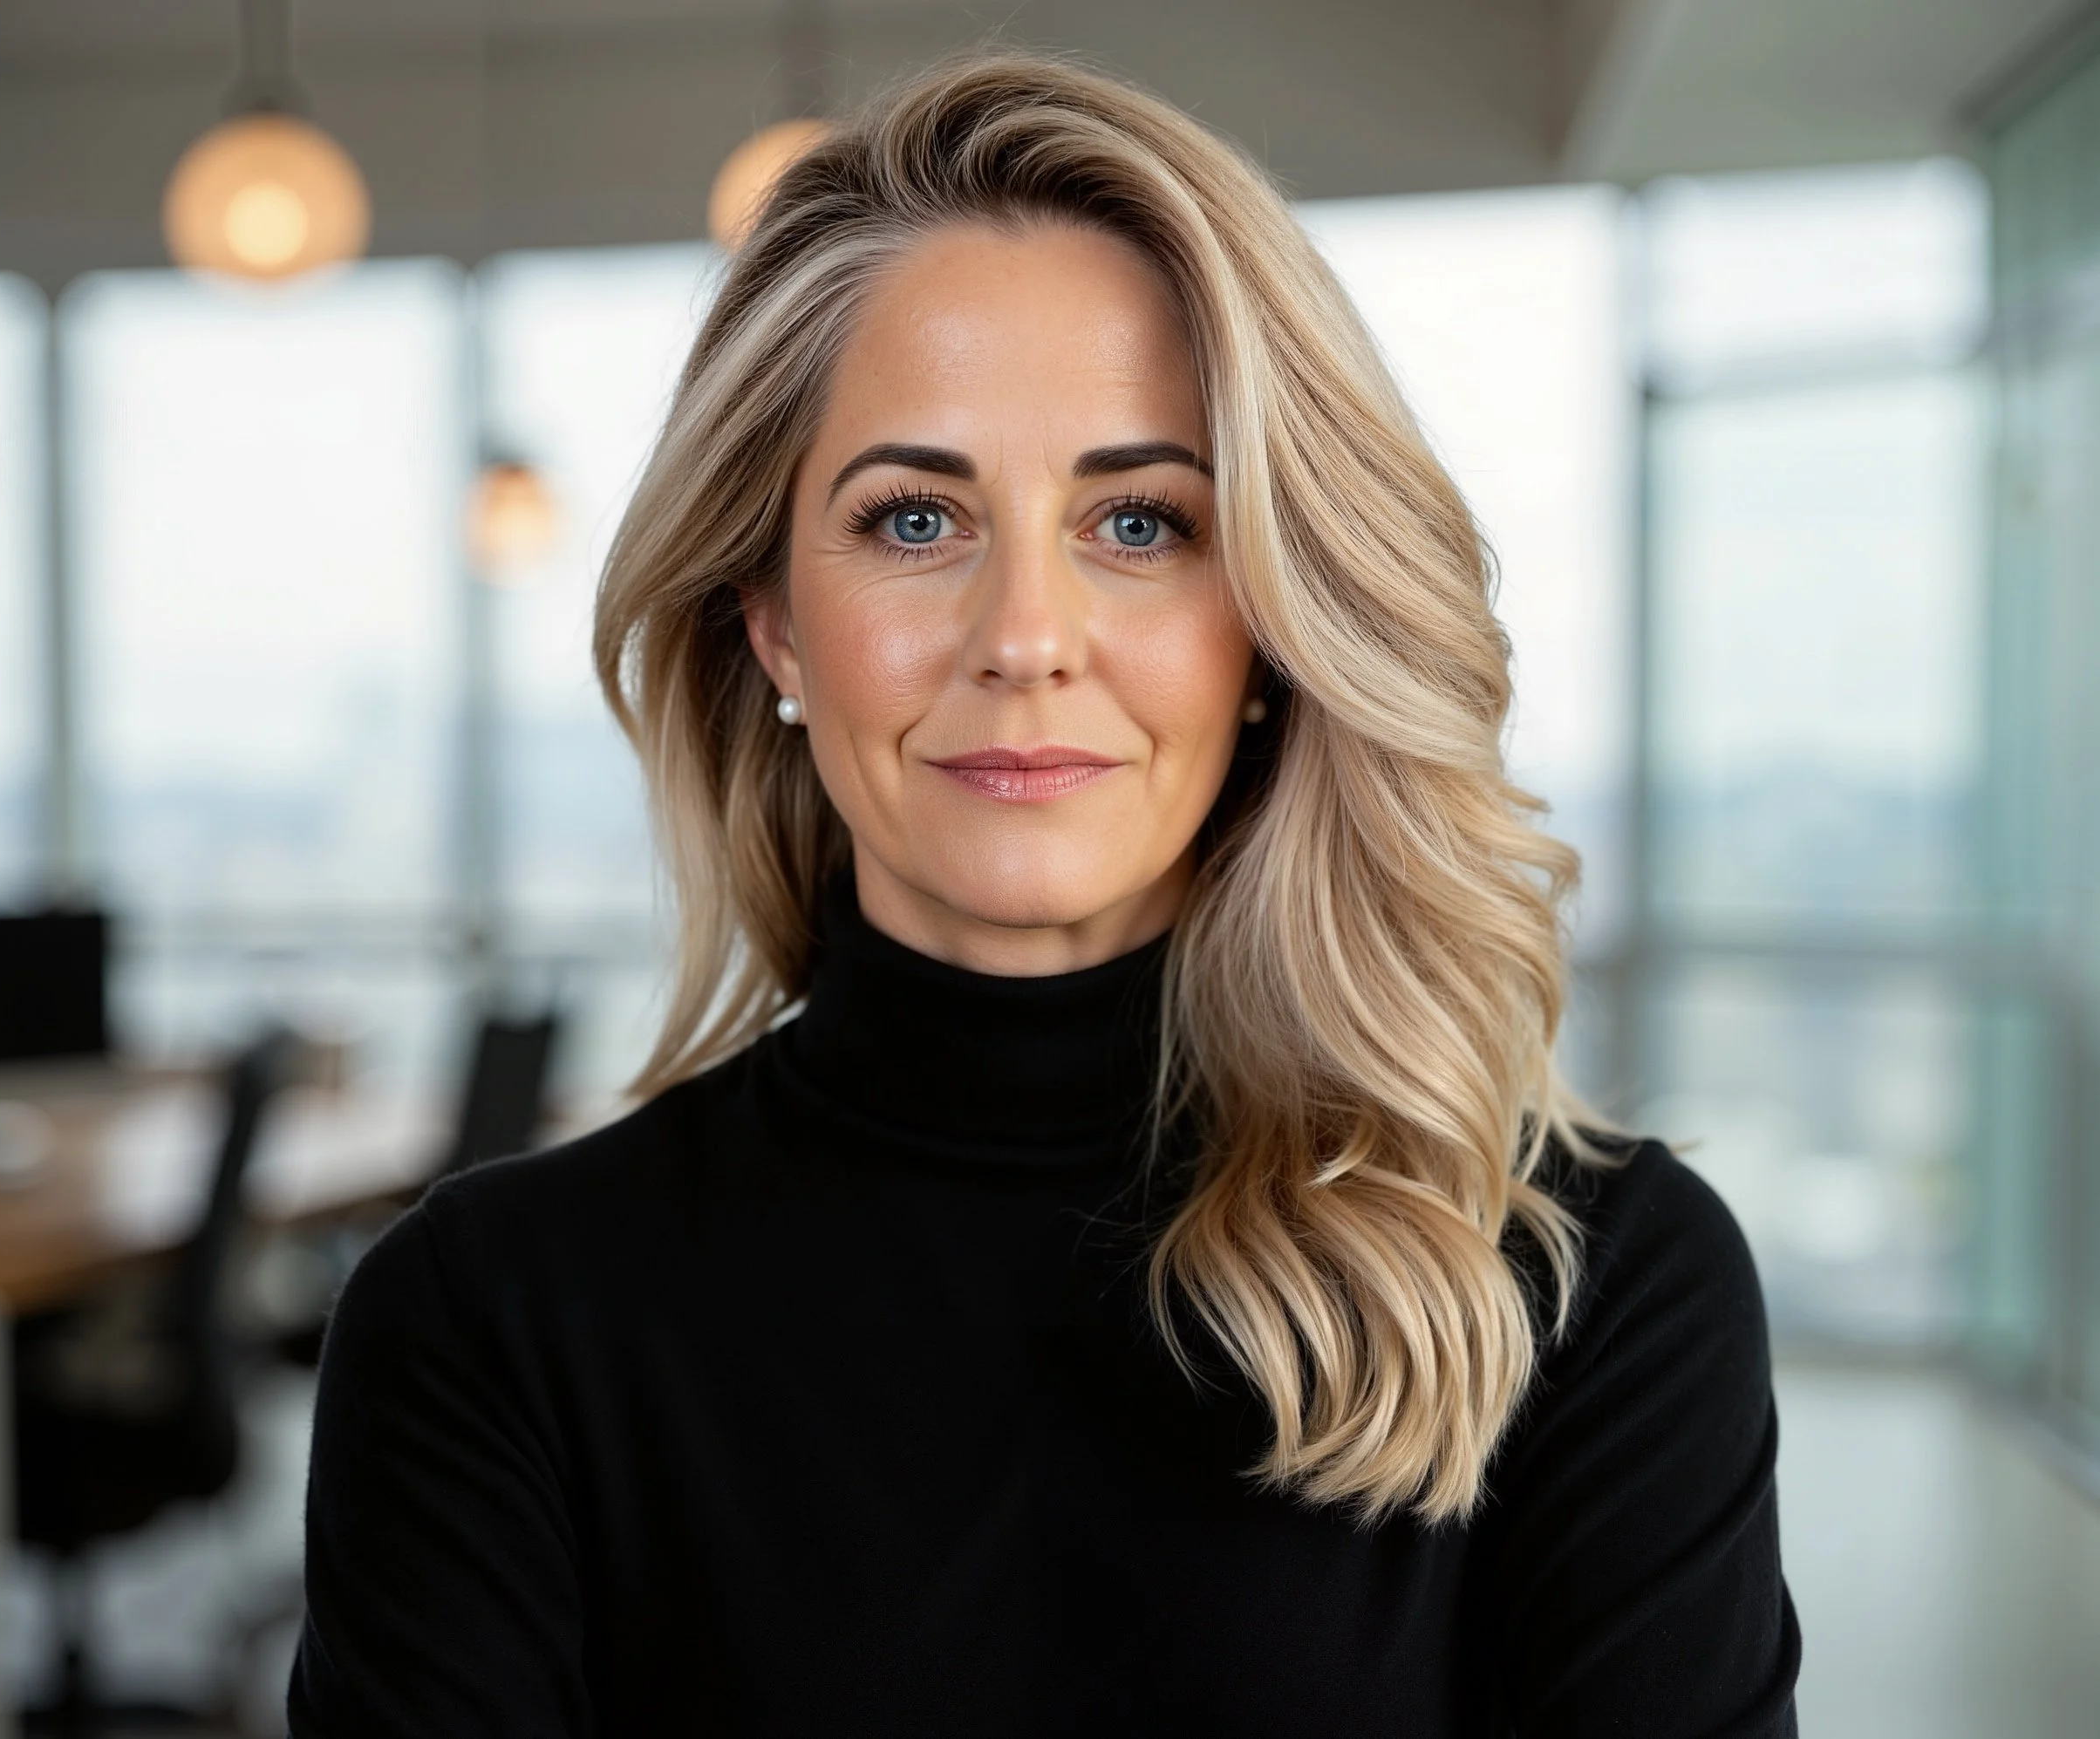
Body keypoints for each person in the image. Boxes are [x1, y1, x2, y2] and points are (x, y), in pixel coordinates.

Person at [289, 51, 1801, 1738]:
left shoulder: (1596, 1290)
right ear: (774, 626)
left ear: (1272, 625)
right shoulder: (485, 1324)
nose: (1024, 635)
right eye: (914, 519)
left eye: (1139, 523)